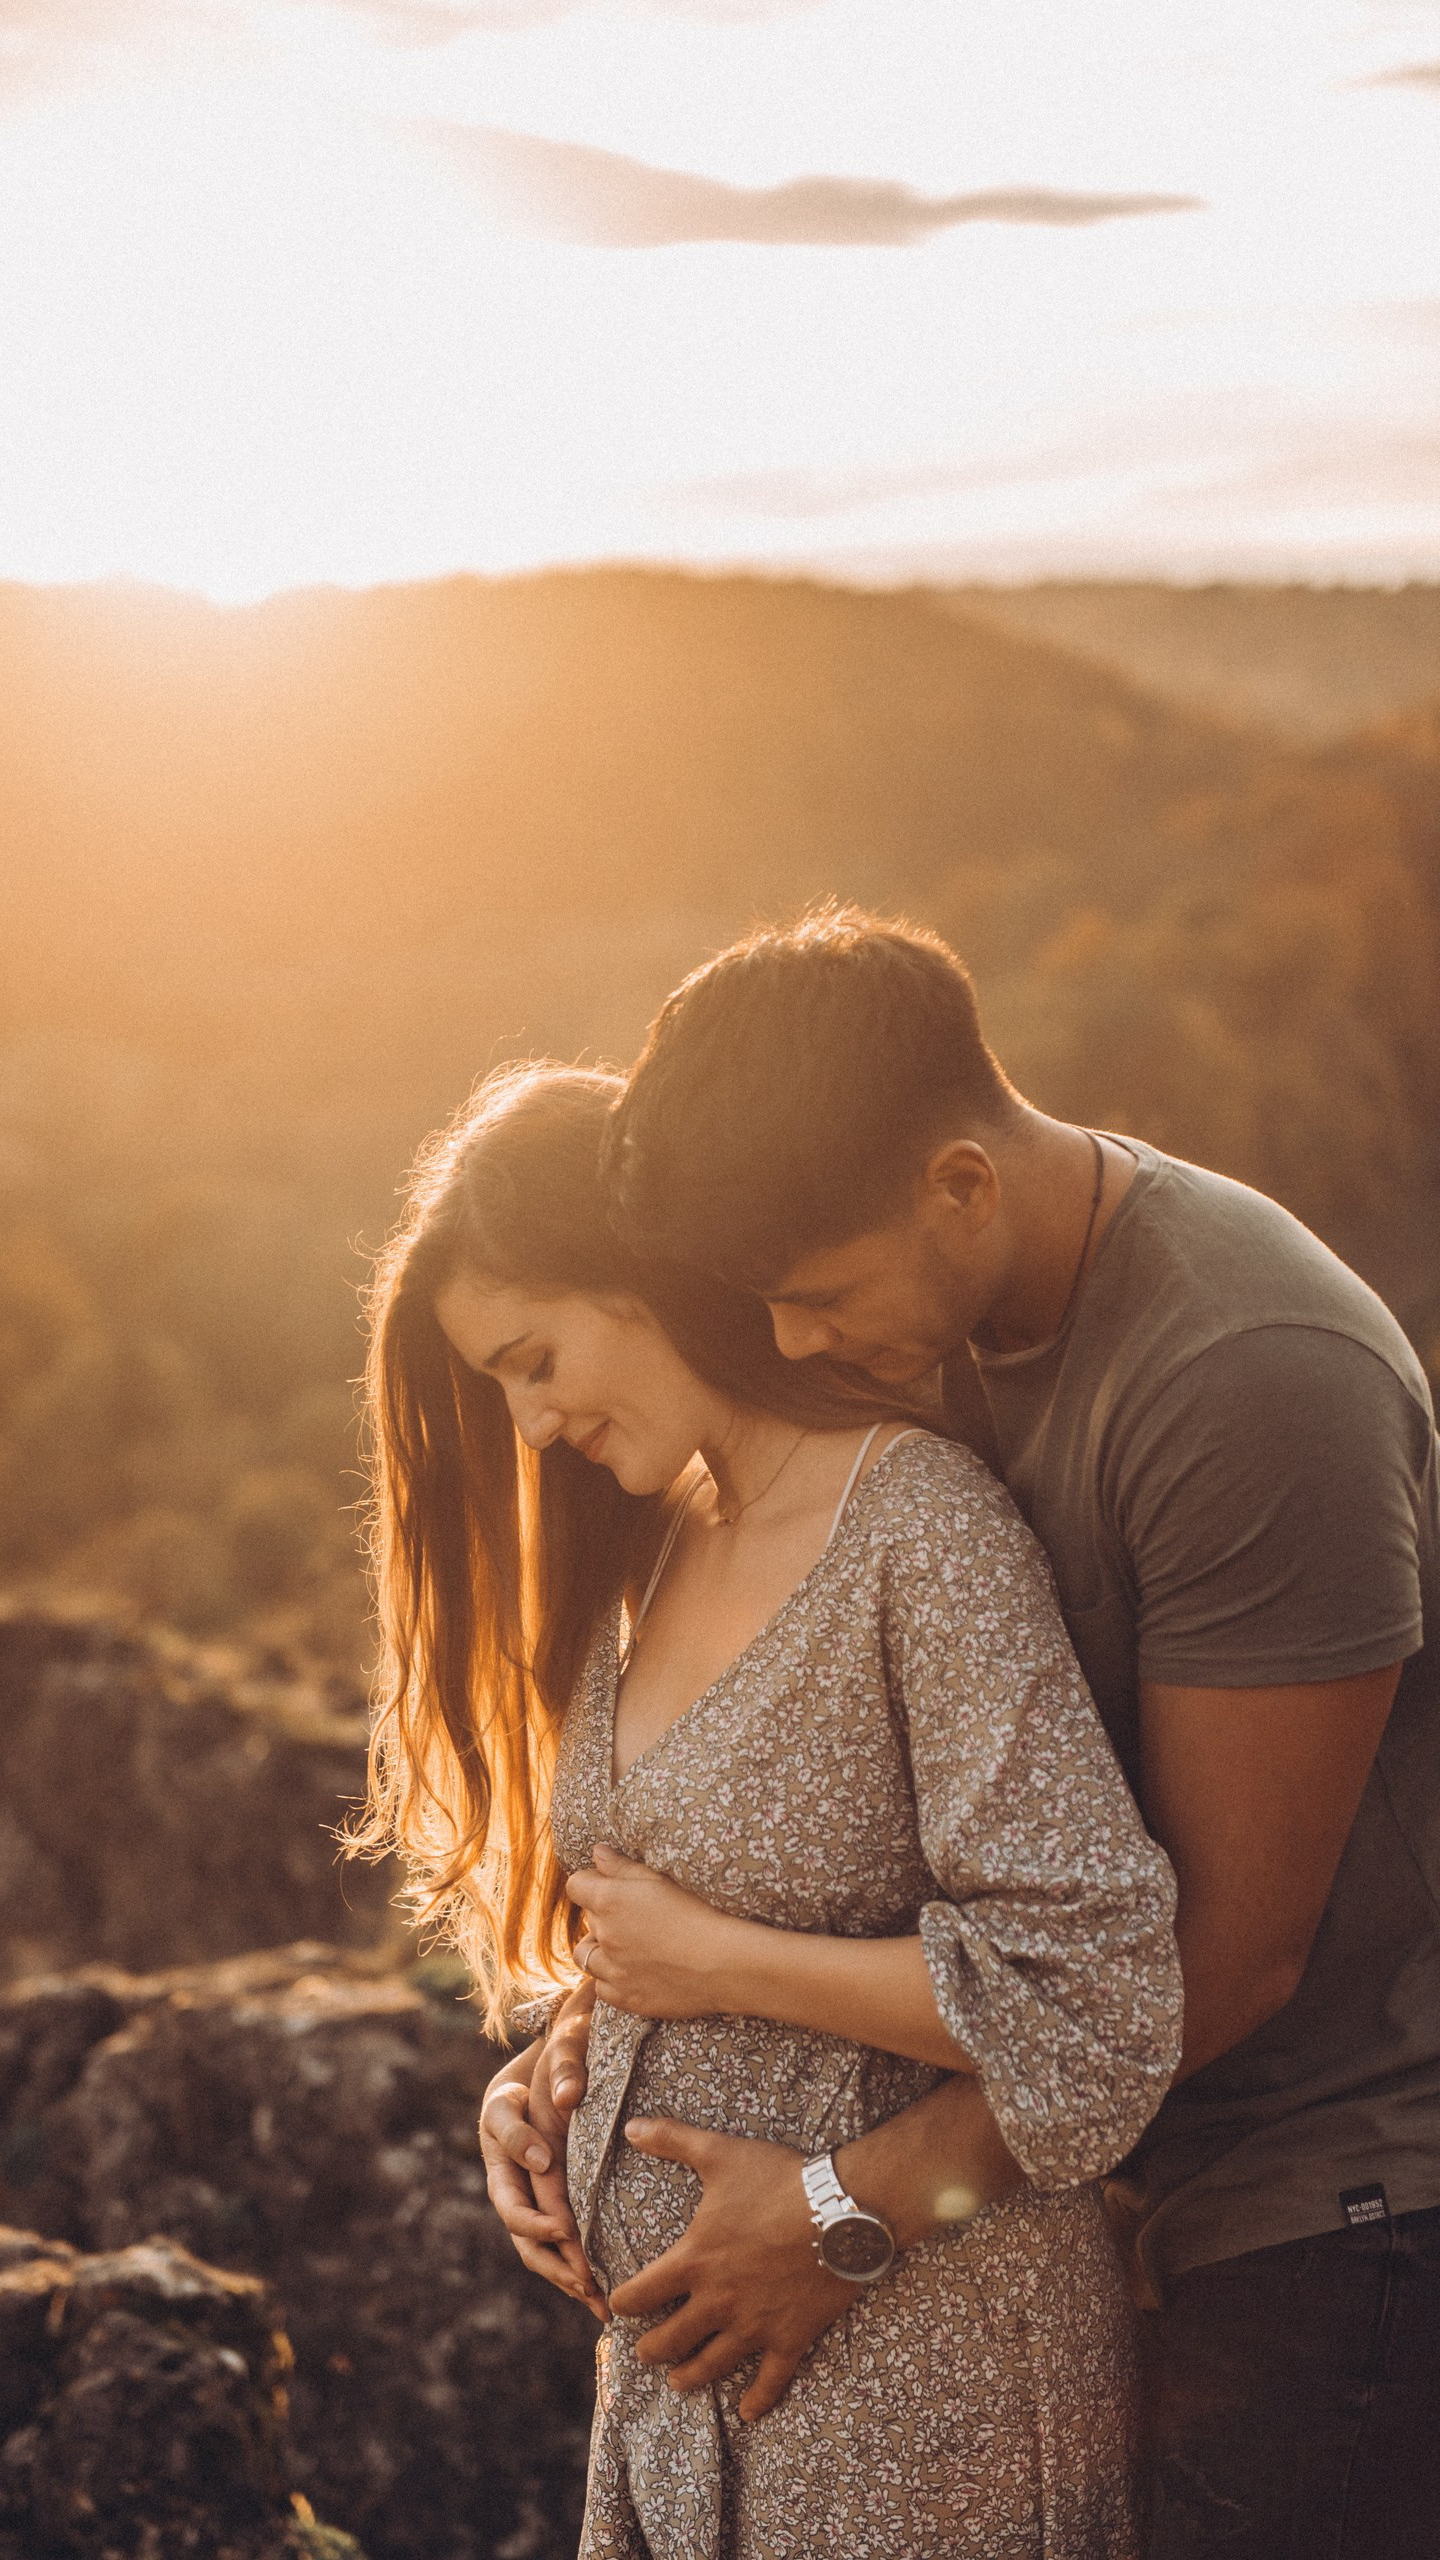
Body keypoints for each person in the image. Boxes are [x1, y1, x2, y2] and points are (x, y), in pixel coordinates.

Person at [485, 908, 1440, 2560]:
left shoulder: (1249, 1375)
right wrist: (595, 2041)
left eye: (817, 1296)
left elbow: (1218, 1966)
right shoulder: (936, 1325)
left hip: (1331, 2214)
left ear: (962, 1184)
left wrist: (844, 2212)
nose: (792, 1345)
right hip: (1109, 2204)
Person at [358, 1061, 1182, 2558]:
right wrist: (558, 2076)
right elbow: (672, 1921)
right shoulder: (650, 1552)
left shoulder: (917, 1529)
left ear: (641, 1273)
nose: (528, 1425)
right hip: (686, 2419)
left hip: (920, 2396)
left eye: (536, 1360)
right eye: (499, 1388)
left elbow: (1097, 1999)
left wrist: (720, 1970)